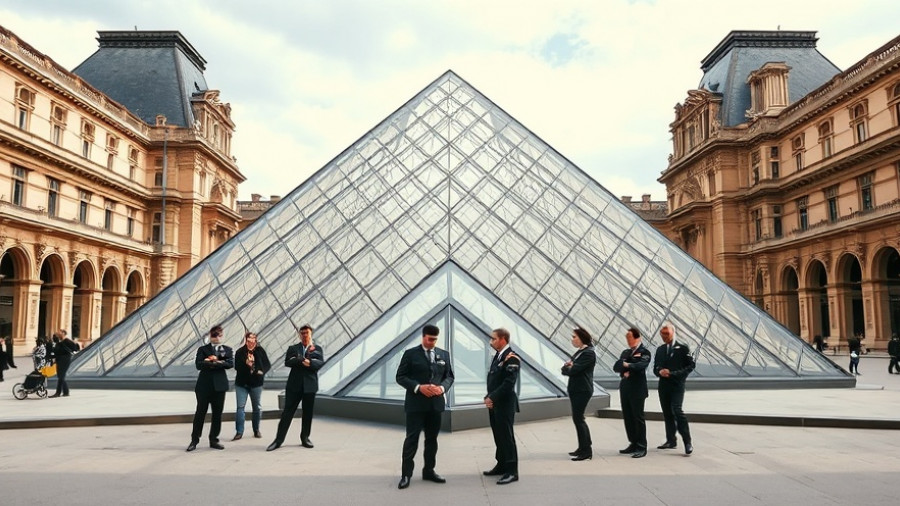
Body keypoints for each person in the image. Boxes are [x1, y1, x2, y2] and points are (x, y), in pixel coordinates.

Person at [395, 324, 455, 490]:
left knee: (432, 440)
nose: (432, 342)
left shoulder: (444, 354)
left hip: (435, 405)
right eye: (429, 339)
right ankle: (406, 474)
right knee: (411, 439)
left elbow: (449, 376)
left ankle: (429, 470)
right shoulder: (410, 354)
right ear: (423, 337)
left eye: (435, 339)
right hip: (416, 404)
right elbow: (400, 376)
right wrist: (418, 387)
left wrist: (442, 388)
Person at [267, 325, 324, 452]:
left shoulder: (317, 349)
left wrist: (309, 363)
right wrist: (302, 360)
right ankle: (278, 440)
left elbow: (320, 363)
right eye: (302, 333)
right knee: (287, 413)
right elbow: (288, 362)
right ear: (299, 335)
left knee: (307, 413)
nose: (304, 335)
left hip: (310, 386)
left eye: (307, 333)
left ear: (311, 334)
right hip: (294, 386)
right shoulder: (293, 348)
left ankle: (305, 438)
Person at [187, 325, 234, 452]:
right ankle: (194, 440)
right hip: (204, 386)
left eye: (219, 335)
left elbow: (230, 364)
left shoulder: (227, 350)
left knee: (217, 414)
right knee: (200, 413)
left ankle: (214, 440)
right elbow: (199, 364)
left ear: (222, 336)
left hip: (219, 386)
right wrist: (214, 362)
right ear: (210, 335)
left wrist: (215, 361)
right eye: (214, 335)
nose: (217, 337)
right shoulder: (203, 349)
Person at [483, 328, 520, 485]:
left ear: (503, 339)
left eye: (494, 339)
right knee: (498, 435)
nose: (491, 341)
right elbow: (494, 380)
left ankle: (512, 471)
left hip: (504, 404)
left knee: (506, 437)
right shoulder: (498, 356)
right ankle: (501, 464)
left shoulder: (512, 358)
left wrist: (492, 397)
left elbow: (508, 383)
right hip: (495, 403)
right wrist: (489, 397)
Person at [653, 322, 695, 455]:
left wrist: (673, 373)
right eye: (662, 334)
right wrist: (660, 371)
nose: (664, 336)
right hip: (663, 386)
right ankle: (671, 440)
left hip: (677, 384)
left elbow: (690, 366)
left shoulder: (682, 348)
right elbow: (655, 367)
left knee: (677, 410)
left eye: (667, 333)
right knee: (667, 413)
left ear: (673, 332)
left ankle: (687, 442)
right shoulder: (660, 349)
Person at [613, 327, 651, 458]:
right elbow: (616, 367)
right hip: (625, 388)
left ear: (638, 338)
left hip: (637, 389)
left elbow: (641, 366)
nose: (629, 340)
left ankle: (641, 446)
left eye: (630, 338)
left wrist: (627, 365)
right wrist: (626, 368)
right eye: (627, 338)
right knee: (628, 417)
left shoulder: (644, 352)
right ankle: (633, 443)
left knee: (638, 417)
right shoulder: (626, 352)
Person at [561, 326, 595, 461]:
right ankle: (582, 447)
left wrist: (569, 367)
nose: (572, 339)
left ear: (581, 338)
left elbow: (573, 370)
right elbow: (565, 369)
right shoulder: (580, 352)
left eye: (574, 337)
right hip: (576, 389)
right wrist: (568, 367)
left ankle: (586, 450)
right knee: (577, 418)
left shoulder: (588, 353)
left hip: (582, 390)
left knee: (579, 418)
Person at [232, 332, 271, 441]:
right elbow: (236, 367)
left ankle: (256, 429)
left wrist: (261, 372)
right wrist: (246, 364)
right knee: (240, 407)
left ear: (256, 340)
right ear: (246, 341)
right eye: (249, 340)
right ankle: (239, 432)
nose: (251, 343)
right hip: (242, 384)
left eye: (253, 340)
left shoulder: (260, 351)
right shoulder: (240, 352)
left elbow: (267, 364)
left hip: (256, 383)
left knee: (256, 408)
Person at [49, 330, 80, 397]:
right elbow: (57, 352)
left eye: (59, 333)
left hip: (65, 360)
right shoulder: (59, 342)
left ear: (63, 333)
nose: (57, 334)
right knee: (60, 376)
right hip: (59, 360)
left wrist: (75, 343)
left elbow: (75, 348)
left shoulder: (67, 341)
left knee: (61, 376)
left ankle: (59, 392)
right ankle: (65, 392)